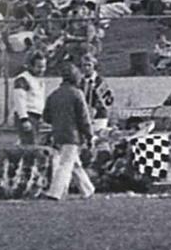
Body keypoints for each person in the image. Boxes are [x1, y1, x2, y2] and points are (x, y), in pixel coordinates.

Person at [41, 62, 94, 201]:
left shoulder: (53, 95)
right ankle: (55, 192)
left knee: (73, 163)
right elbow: (84, 118)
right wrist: (89, 136)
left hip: (57, 134)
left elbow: (46, 116)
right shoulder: (77, 94)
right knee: (66, 164)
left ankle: (88, 189)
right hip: (73, 135)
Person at [12, 51, 47, 145]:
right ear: (30, 66)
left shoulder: (39, 80)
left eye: (44, 66)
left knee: (33, 145)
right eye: (39, 67)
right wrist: (24, 119)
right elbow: (19, 100)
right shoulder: (23, 79)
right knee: (30, 147)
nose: (42, 70)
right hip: (27, 116)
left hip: (36, 117)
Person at [80, 54, 114, 130]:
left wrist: (96, 108)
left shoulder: (100, 82)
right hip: (85, 116)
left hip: (99, 117)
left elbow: (108, 101)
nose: (86, 68)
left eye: (89, 65)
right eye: (84, 65)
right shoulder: (80, 82)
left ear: (94, 66)